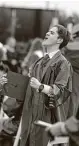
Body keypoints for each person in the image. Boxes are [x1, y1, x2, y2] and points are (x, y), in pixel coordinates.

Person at [20, 24, 72, 146]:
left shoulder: (63, 63)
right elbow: (27, 90)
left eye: (52, 33)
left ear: (59, 40)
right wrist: (8, 85)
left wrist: (41, 87)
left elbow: (61, 90)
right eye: (48, 31)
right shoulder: (38, 63)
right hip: (30, 117)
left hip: (47, 117)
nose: (47, 33)